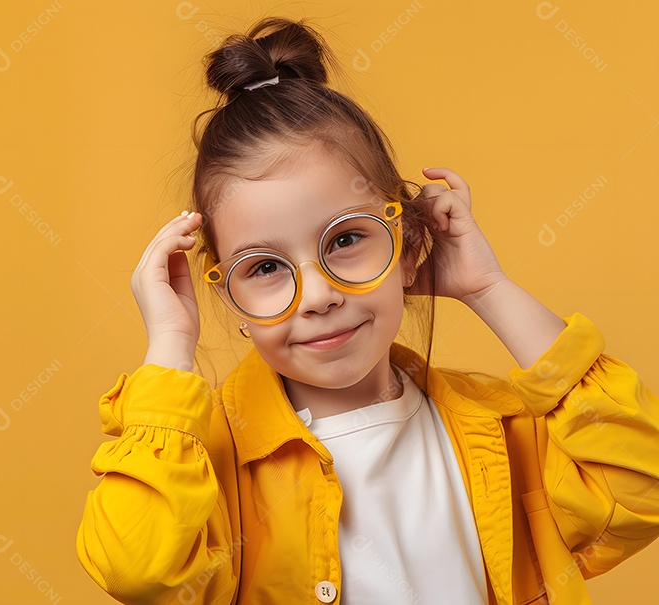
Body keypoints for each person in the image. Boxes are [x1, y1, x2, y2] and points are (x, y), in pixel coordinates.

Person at [74, 15, 659, 605]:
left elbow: (642, 482)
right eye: (266, 268)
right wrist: (170, 346)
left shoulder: (503, 430)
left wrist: (487, 287)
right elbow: (137, 570)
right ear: (229, 296)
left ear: (407, 247)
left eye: (347, 240)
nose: (320, 295)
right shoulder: (209, 465)